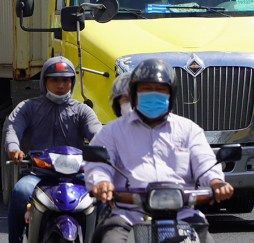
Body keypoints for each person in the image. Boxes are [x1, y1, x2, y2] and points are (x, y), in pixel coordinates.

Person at [86, 59, 234, 243]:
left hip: (184, 214)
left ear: (171, 94)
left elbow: (204, 161)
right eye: (146, 89)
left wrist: (215, 181)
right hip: (128, 215)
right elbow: (98, 162)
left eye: (161, 89)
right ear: (134, 94)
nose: (153, 94)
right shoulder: (112, 131)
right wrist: (101, 182)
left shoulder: (189, 129)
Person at [4, 56, 102, 243]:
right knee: (21, 192)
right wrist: (13, 148)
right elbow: (12, 128)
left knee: (104, 193)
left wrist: (105, 151)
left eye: (66, 80)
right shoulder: (28, 108)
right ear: (44, 82)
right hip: (37, 173)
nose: (60, 85)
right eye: (54, 79)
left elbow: (98, 134)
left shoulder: (82, 111)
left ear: (72, 82)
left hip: (77, 174)